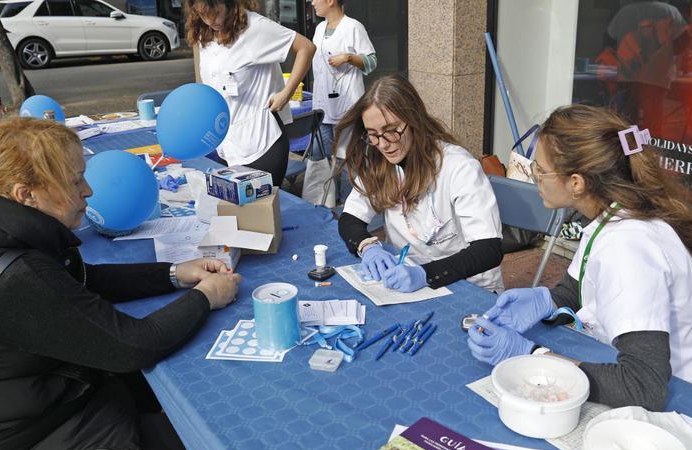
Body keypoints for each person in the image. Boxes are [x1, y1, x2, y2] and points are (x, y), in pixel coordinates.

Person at [0, 116, 242, 450]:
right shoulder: (8, 274)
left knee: (175, 429)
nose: (88, 190)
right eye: (75, 181)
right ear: (27, 194)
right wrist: (207, 296)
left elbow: (80, 280)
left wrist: (174, 273)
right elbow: (131, 346)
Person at [468, 105, 692, 408]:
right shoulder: (612, 215)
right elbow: (576, 287)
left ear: (576, 183)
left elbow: (643, 386)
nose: (534, 176)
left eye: (539, 170)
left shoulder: (628, 248)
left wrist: (533, 357)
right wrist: (546, 300)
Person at [336, 75, 504, 293]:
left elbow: (488, 249)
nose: (384, 144)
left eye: (392, 131)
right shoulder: (380, 164)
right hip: (409, 281)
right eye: (374, 135)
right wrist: (368, 247)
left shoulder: (458, 167)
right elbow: (350, 219)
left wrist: (425, 274)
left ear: (414, 120)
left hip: (469, 284)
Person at [185, 0, 316, 186]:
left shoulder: (255, 28)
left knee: (258, 212)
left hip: (262, 143)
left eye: (213, 12)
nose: (209, 20)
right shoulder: (204, 36)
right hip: (228, 145)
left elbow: (306, 48)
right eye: (202, 14)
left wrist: (286, 93)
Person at [309, 0, 376, 201]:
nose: (312, 2)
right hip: (322, 107)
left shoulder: (353, 27)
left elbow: (371, 62)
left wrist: (348, 57)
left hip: (347, 107)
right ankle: (323, 204)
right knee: (319, 159)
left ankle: (349, 208)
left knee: (348, 161)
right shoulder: (320, 28)